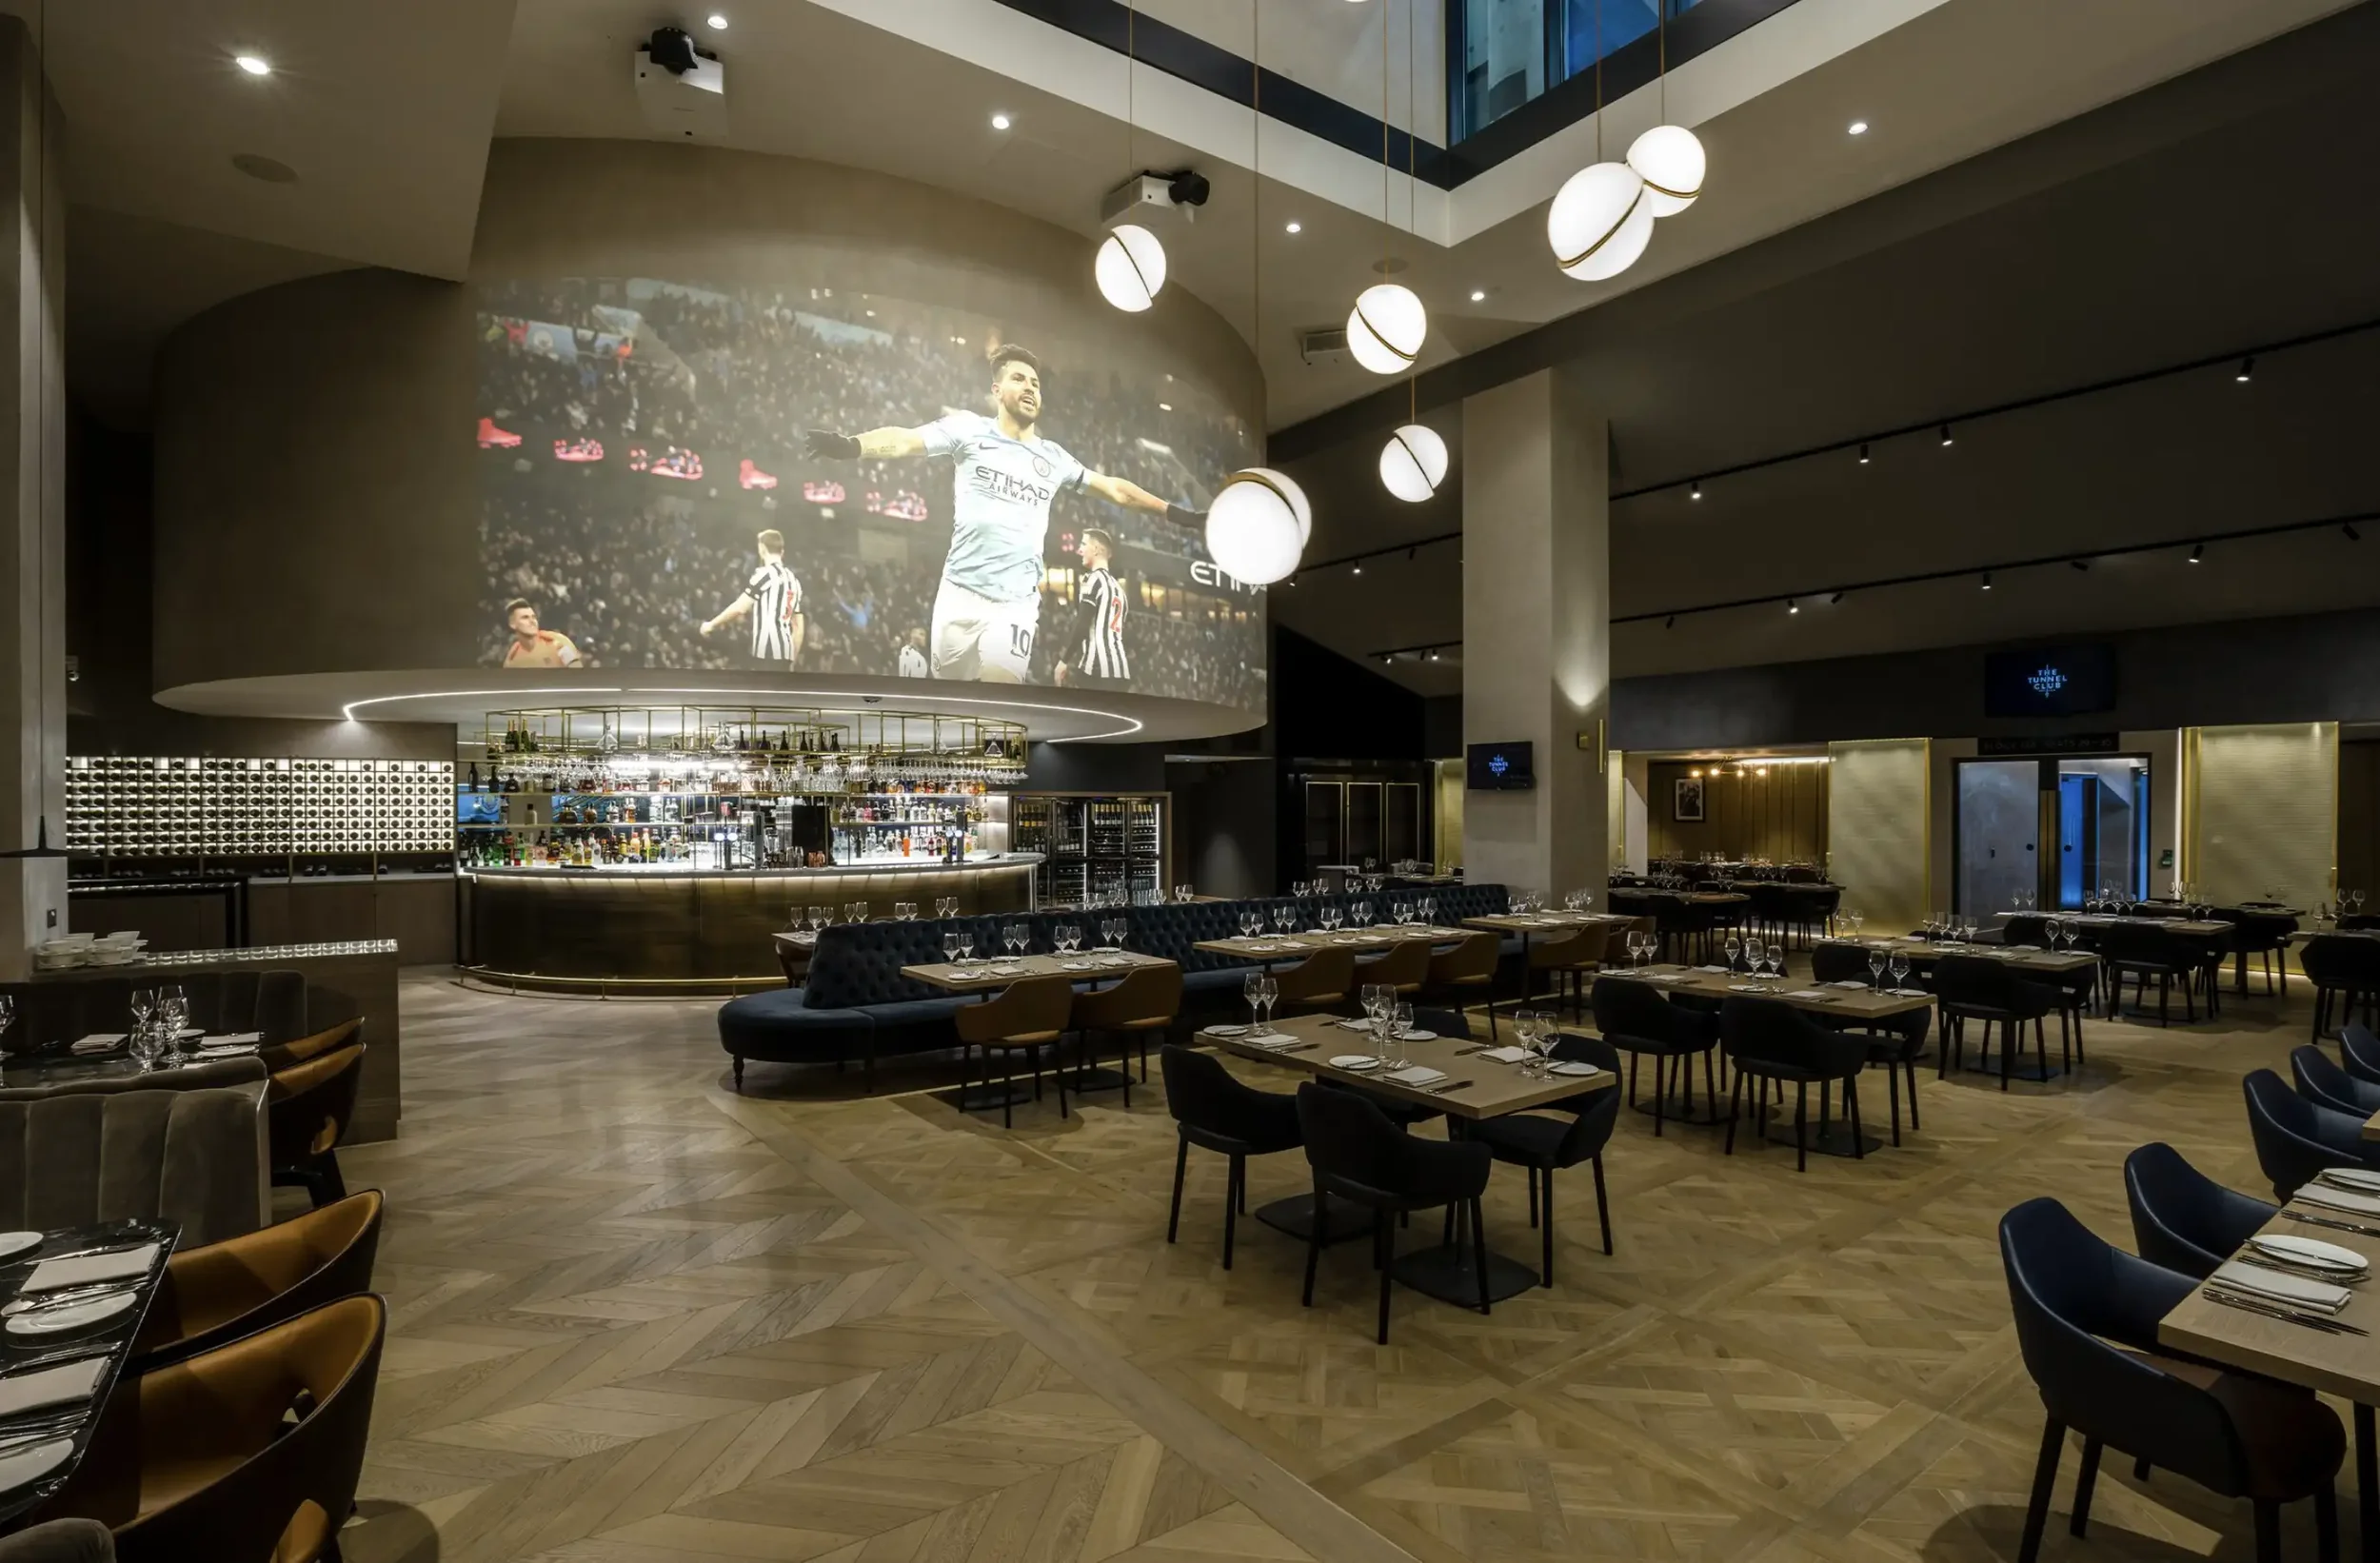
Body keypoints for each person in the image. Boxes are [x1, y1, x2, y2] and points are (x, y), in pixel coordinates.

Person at [803, 344, 1201, 683]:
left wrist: (1178, 514)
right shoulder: (968, 430)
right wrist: (852, 446)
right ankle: (926, 674)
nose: (1030, 387)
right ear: (996, 389)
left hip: (1015, 603)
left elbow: (1115, 488)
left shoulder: (1053, 457)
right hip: (959, 592)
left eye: (1035, 383)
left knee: (997, 699)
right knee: (951, 703)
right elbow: (906, 440)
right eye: (1019, 379)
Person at [698, 528, 805, 666]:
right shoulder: (794, 581)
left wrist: (711, 625)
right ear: (782, 552)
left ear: (762, 549)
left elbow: (740, 608)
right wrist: (792, 662)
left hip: (766, 653)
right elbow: (798, 629)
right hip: (785, 655)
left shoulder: (765, 575)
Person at [1054, 528, 1128, 686]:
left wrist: (1064, 660)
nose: (1080, 550)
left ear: (1096, 549)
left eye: (1083, 544)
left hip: (1097, 668)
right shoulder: (1119, 590)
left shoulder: (1093, 580)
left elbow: (1082, 624)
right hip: (1121, 669)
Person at [500, 599, 583, 667]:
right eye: (525, 617)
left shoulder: (557, 642)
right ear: (512, 624)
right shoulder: (512, 659)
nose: (532, 621)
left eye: (534, 617)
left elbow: (577, 673)